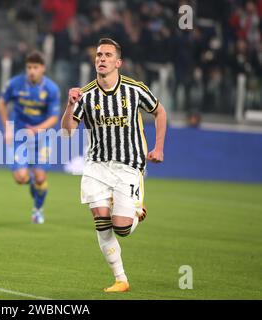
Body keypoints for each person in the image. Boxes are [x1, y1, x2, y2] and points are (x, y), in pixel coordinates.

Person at [61, 38, 167, 292]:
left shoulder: (135, 89)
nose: (102, 59)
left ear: (118, 62)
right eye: (99, 55)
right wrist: (69, 105)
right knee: (100, 219)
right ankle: (121, 279)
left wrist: (159, 147)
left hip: (128, 166)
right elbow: (66, 132)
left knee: (121, 228)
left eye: (108, 55)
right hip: (96, 166)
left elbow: (160, 112)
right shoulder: (84, 95)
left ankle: (136, 212)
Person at [0, 51, 61, 224]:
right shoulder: (15, 84)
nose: (31, 71)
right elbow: (1, 102)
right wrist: (8, 129)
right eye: (29, 67)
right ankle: (31, 181)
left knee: (41, 177)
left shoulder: (52, 89)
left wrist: (37, 129)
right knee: (20, 179)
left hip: (42, 135)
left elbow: (54, 117)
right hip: (19, 134)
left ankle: (37, 210)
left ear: (43, 69)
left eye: (35, 67)